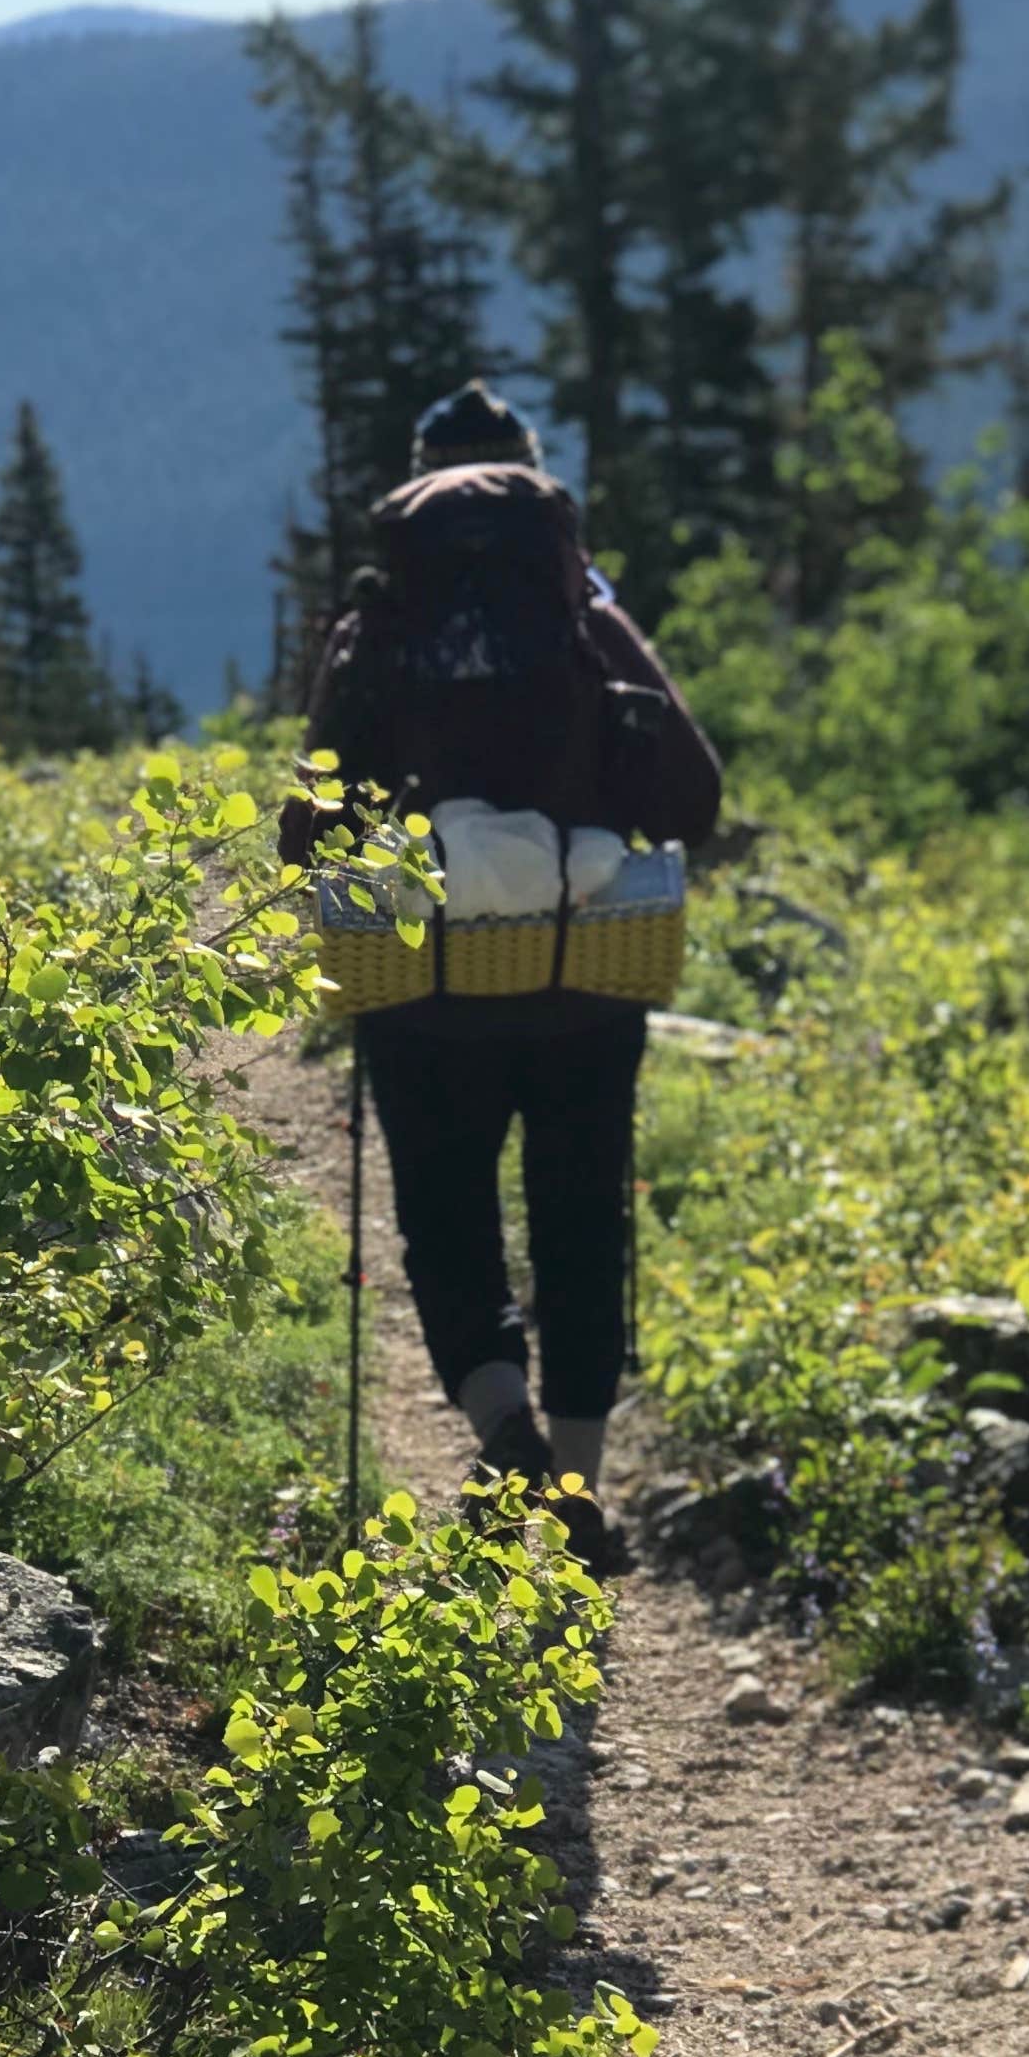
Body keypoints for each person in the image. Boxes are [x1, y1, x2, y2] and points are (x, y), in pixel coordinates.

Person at [279, 379, 722, 1580]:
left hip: (425, 996)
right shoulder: (587, 618)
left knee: (447, 1219)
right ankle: (574, 1480)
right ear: (538, 485)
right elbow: (695, 797)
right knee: (581, 1219)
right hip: (587, 987)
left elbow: (305, 829)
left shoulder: (380, 627)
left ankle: (506, 1437)